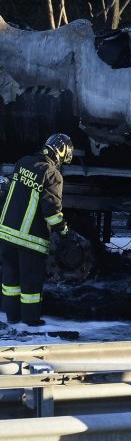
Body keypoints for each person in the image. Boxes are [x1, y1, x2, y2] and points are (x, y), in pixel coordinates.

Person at [0, 133, 73, 327]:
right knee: (30, 281)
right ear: (61, 153)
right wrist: (64, 231)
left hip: (6, 233)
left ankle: (12, 316)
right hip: (30, 239)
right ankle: (31, 320)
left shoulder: (22, 162)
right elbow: (51, 210)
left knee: (10, 279)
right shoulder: (52, 174)